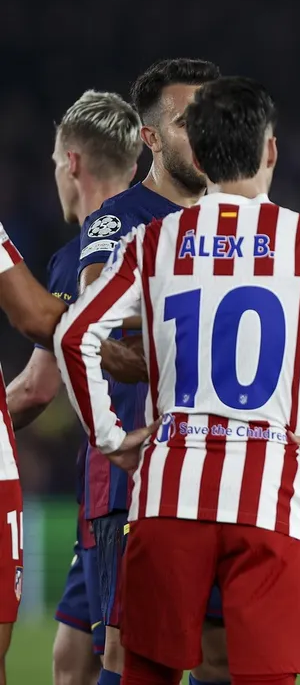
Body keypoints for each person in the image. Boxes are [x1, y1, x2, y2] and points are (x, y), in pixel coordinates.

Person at [55, 75, 300, 685]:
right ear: (270, 150)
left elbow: (75, 335)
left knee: (143, 673)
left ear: (199, 158)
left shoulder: (153, 242)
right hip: (272, 498)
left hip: (168, 492)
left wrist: (110, 436)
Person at [76, 58, 230, 685]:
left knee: (221, 654)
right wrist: (182, 365)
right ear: (151, 137)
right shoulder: (120, 220)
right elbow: (91, 325)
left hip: (221, 465)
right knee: (133, 652)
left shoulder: (236, 220)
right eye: (188, 122)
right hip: (135, 472)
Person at [5, 89, 140, 685]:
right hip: (134, 473)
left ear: (73, 163)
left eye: (57, 162)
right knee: (71, 658)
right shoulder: (168, 232)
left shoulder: (84, 252)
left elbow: (36, 390)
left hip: (121, 479)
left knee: (122, 657)